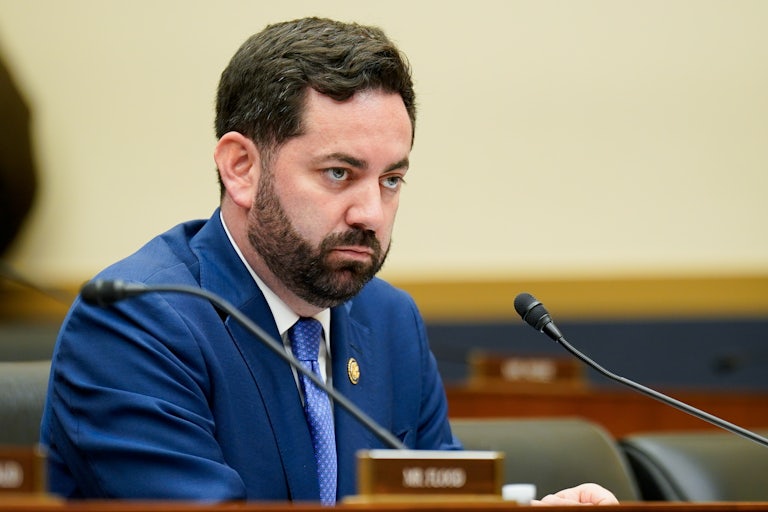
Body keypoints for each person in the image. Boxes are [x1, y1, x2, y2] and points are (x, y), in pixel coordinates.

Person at [40, 17, 618, 506]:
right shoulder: (139, 323)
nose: (371, 212)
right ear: (241, 167)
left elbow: (438, 500)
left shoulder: (389, 323)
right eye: (338, 173)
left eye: (392, 179)